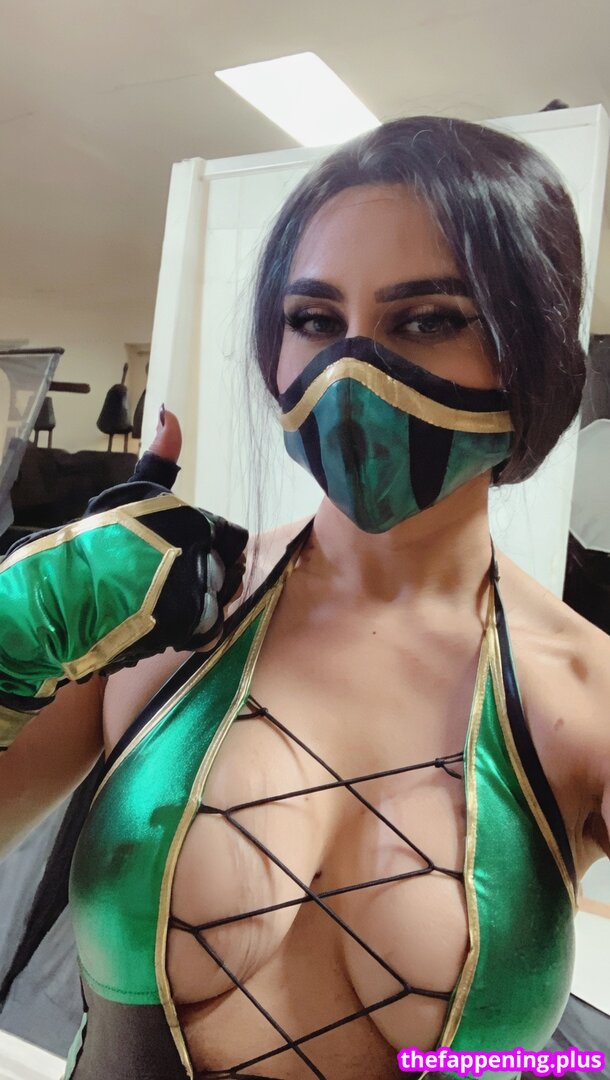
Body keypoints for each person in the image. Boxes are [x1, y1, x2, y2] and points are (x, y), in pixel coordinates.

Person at [1, 115, 610, 1080]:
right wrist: (10, 635)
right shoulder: (156, 619)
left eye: (428, 319)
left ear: (529, 352)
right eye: (317, 321)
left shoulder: (585, 696)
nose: (350, 372)